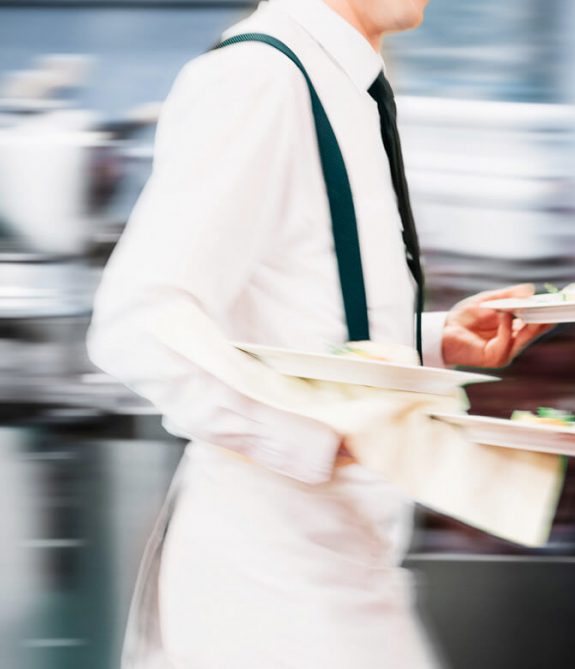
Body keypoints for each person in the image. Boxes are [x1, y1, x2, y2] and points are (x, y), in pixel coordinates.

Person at [88, 0, 550, 665]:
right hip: (266, 584)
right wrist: (322, 434)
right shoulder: (258, 79)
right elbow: (138, 322)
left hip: (340, 564)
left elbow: (302, 309)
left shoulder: (342, 83)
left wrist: (433, 342)